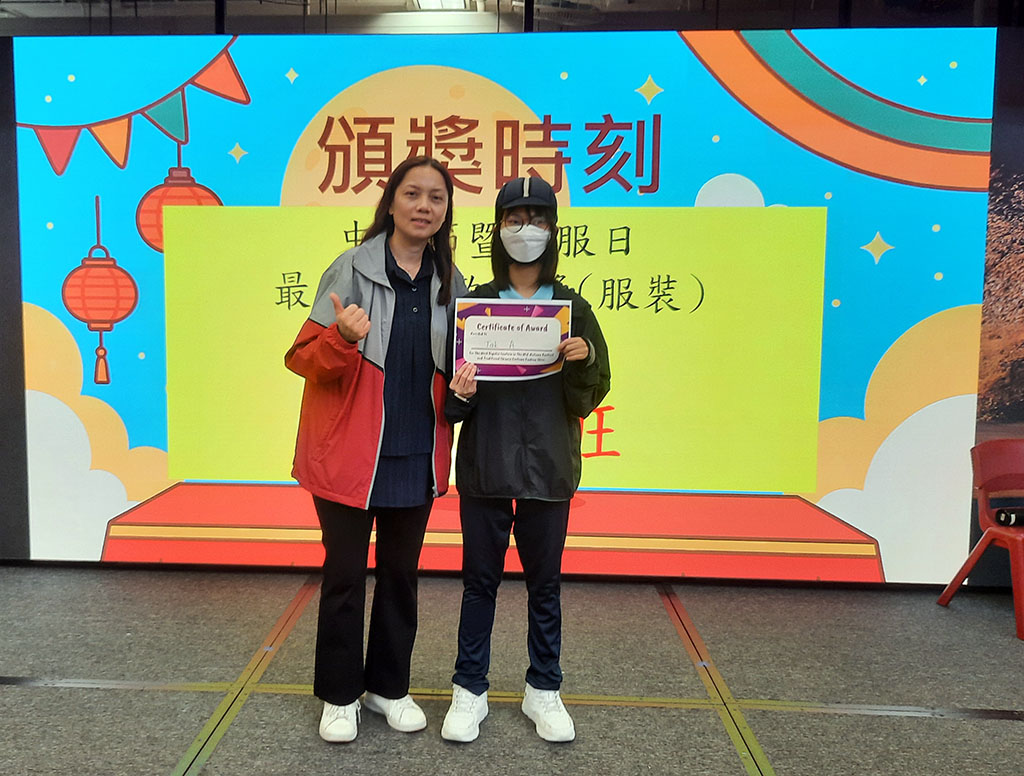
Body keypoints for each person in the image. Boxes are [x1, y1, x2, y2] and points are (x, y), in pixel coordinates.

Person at [285, 156, 466, 743]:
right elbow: (302, 359)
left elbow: (458, 373)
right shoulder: (352, 269)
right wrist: (341, 338)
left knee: (400, 577)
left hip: (416, 454)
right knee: (343, 577)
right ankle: (340, 696)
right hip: (349, 455)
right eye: (412, 194)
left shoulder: (452, 283)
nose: (423, 206)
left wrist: (466, 391)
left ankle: (389, 687)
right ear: (390, 201)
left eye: (436, 197)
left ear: (446, 211)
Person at [440, 176, 611, 743]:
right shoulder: (474, 308)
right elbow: (449, 404)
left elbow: (589, 395)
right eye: (515, 219)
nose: (526, 230)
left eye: (538, 219)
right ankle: (469, 690)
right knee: (478, 584)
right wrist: (461, 394)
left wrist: (583, 360)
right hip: (485, 467)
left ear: (553, 231)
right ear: (498, 229)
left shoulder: (573, 309)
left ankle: (544, 688)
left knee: (545, 585)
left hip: (548, 467)